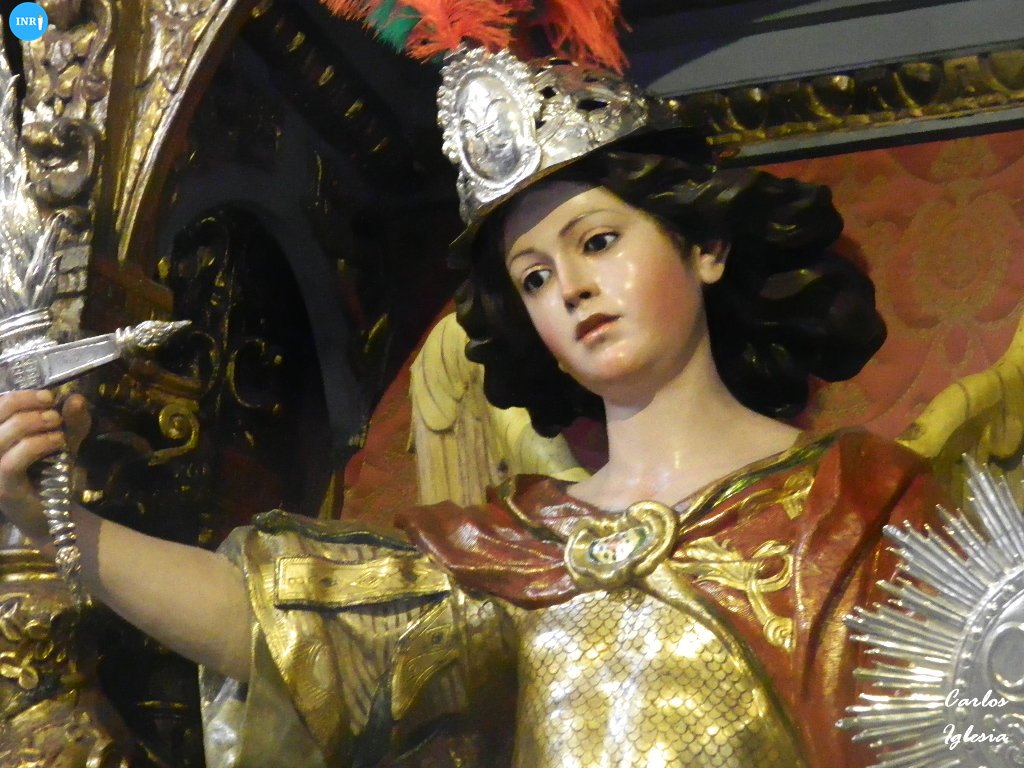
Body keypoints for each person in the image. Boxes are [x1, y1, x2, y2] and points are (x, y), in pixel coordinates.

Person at [0, 50, 947, 767]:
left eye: (599, 241)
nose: (571, 289)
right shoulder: (506, 554)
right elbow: (278, 626)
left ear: (705, 247)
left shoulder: (863, 504)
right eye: (534, 277)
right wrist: (57, 523)